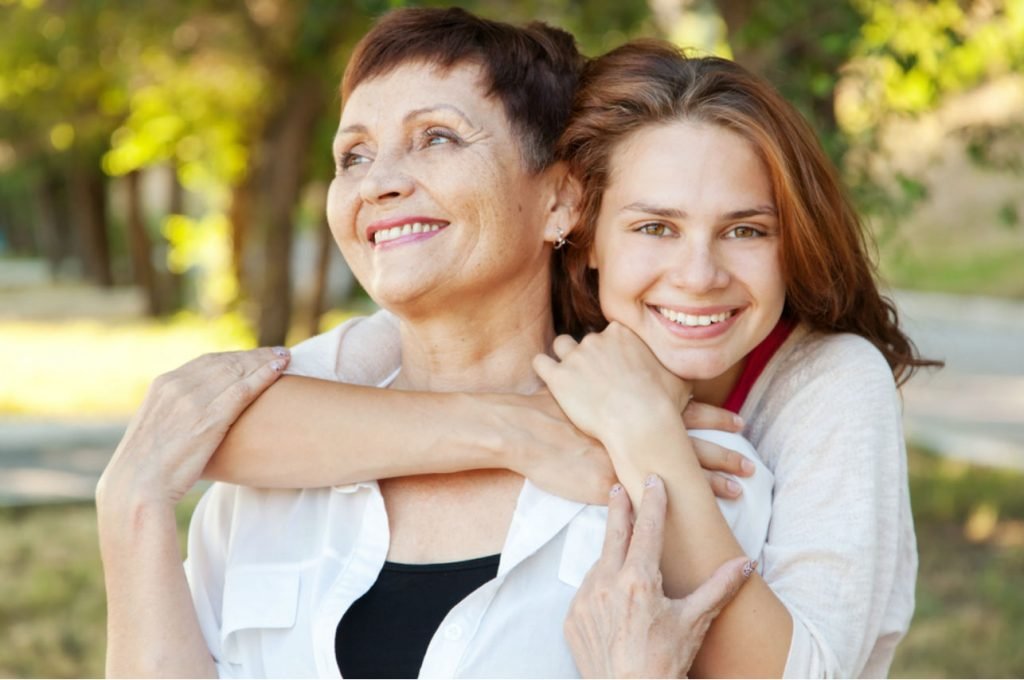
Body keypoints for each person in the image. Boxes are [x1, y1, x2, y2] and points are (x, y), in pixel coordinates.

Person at [202, 38, 939, 677]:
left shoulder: (829, 382)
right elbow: (228, 420)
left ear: (793, 242)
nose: (699, 274)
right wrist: (521, 425)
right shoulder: (562, 331)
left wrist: (647, 436)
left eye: (746, 232)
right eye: (655, 227)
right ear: (583, 230)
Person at [97, 9, 766, 679]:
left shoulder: (691, 476)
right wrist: (132, 506)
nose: (378, 182)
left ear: (561, 199)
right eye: (352, 155)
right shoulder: (272, 480)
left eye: (437, 138)